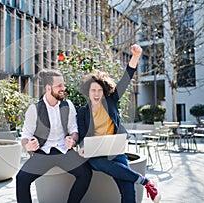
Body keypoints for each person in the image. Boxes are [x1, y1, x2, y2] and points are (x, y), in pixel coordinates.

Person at [77, 44, 161, 203]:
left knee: (128, 190)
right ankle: (145, 181)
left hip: (116, 151)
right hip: (96, 155)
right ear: (88, 91)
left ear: (104, 91)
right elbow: (81, 135)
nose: (96, 94)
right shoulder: (82, 112)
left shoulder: (112, 101)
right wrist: (82, 147)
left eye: (99, 90)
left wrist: (136, 56)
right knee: (103, 164)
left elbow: (126, 79)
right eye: (93, 90)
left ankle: (142, 182)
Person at [16, 69, 92, 203]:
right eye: (59, 86)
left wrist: (72, 140)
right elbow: (25, 137)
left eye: (63, 85)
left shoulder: (68, 105)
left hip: (64, 151)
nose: (63, 88)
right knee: (21, 179)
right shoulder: (34, 109)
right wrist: (28, 145)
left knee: (86, 174)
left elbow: (73, 129)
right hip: (43, 153)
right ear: (48, 88)